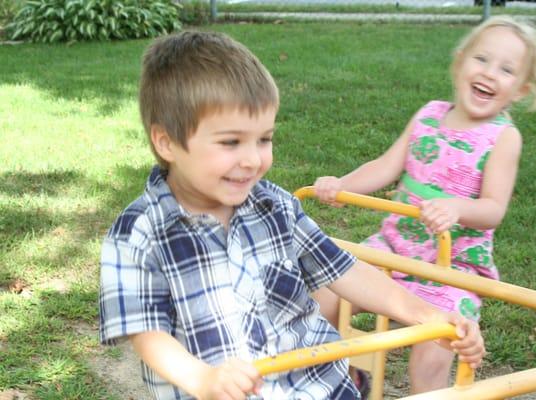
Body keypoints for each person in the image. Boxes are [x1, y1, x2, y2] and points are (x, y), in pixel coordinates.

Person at [98, 30, 485, 400]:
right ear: (166, 141)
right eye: (231, 142)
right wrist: (203, 380)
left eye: (264, 139)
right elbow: (145, 332)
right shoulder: (139, 233)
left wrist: (424, 313)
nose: (253, 160)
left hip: (320, 387)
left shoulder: (274, 205)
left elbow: (345, 271)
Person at [312, 15, 536, 395]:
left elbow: (494, 208)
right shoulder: (428, 115)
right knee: (326, 295)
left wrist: (457, 207)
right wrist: (341, 185)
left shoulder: (503, 138)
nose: (489, 73)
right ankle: (326, 379)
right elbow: (386, 166)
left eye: (506, 70)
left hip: (451, 269)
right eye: (481, 59)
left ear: (520, 90)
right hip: (393, 251)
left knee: (435, 348)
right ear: (459, 61)